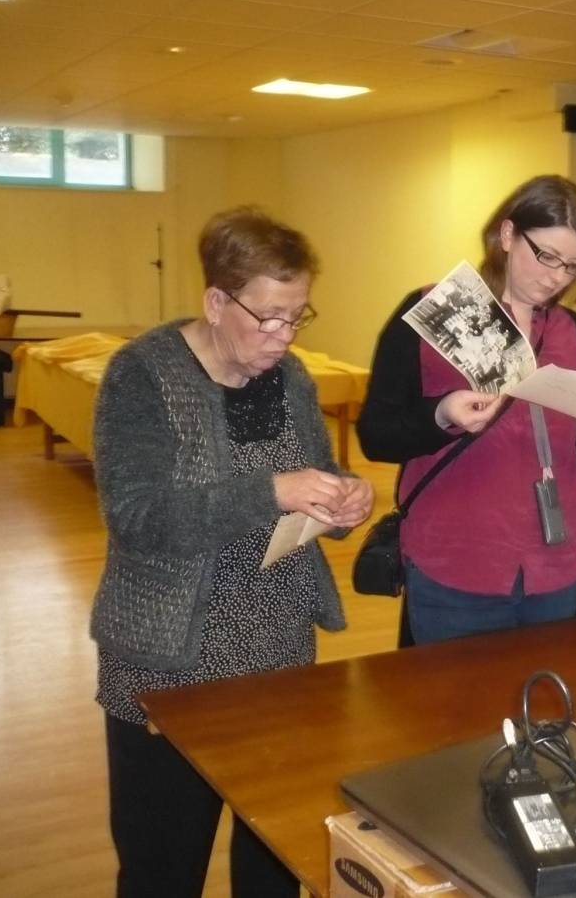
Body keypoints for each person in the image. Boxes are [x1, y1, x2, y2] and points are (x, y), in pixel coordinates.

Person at [90, 206, 374, 898]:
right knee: (162, 869)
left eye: (297, 316)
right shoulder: (143, 375)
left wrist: (343, 500)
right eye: (268, 317)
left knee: (276, 861)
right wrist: (271, 491)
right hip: (169, 668)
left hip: (279, 657)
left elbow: (312, 477)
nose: (284, 336)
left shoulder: (292, 377)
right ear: (217, 302)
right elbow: (136, 516)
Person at [356, 175, 576, 645]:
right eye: (546, 256)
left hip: (555, 566)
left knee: (543, 690)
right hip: (456, 564)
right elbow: (376, 435)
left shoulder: (574, 332)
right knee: (454, 694)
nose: (557, 277)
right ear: (506, 235)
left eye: (574, 266)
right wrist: (442, 414)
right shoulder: (439, 311)